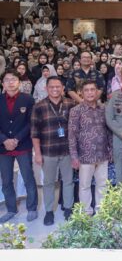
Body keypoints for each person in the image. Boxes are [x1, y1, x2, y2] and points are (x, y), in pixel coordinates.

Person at [31, 76, 75, 226]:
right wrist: (37, 153)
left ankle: (68, 208)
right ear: (46, 88)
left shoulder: (70, 104)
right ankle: (49, 211)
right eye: (52, 87)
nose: (55, 89)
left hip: (67, 151)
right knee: (48, 182)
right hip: (48, 152)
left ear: (63, 88)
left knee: (68, 181)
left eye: (58, 86)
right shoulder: (39, 106)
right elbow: (35, 133)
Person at [68, 80, 112, 216]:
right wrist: (74, 156)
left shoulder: (103, 108)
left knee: (102, 186)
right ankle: (86, 213)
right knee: (84, 186)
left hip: (103, 154)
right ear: (81, 92)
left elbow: (109, 130)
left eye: (92, 89)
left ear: (97, 92)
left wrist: (111, 150)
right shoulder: (76, 111)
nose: (90, 93)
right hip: (85, 156)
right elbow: (72, 134)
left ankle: (101, 212)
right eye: (86, 90)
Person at [0, 70, 38, 223]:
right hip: (3, 147)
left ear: (19, 82)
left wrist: (16, 139)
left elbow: (31, 123)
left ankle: (32, 207)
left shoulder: (28, 99)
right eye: (7, 80)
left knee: (28, 177)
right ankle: (11, 209)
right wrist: (4, 140)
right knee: (6, 180)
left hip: (23, 145)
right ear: (2, 83)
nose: (10, 82)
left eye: (13, 79)